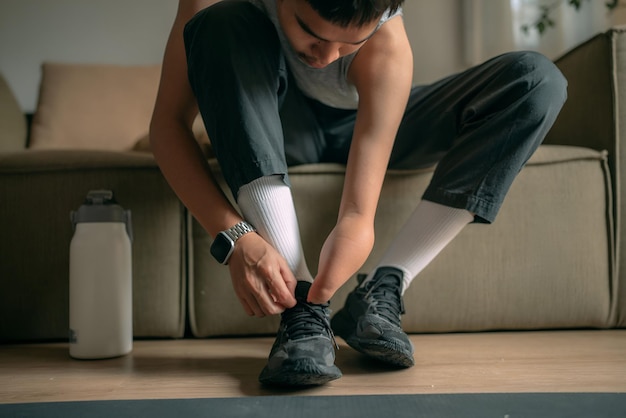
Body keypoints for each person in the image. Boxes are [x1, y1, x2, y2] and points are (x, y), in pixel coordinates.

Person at [150, 0, 567, 387]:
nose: (327, 56)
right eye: (311, 33)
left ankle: (384, 286)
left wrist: (354, 230)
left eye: (350, 43)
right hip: (277, 120)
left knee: (536, 81)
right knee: (222, 21)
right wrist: (235, 236)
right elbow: (167, 126)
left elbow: (356, 216)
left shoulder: (387, 41)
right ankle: (303, 312)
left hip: (364, 123)